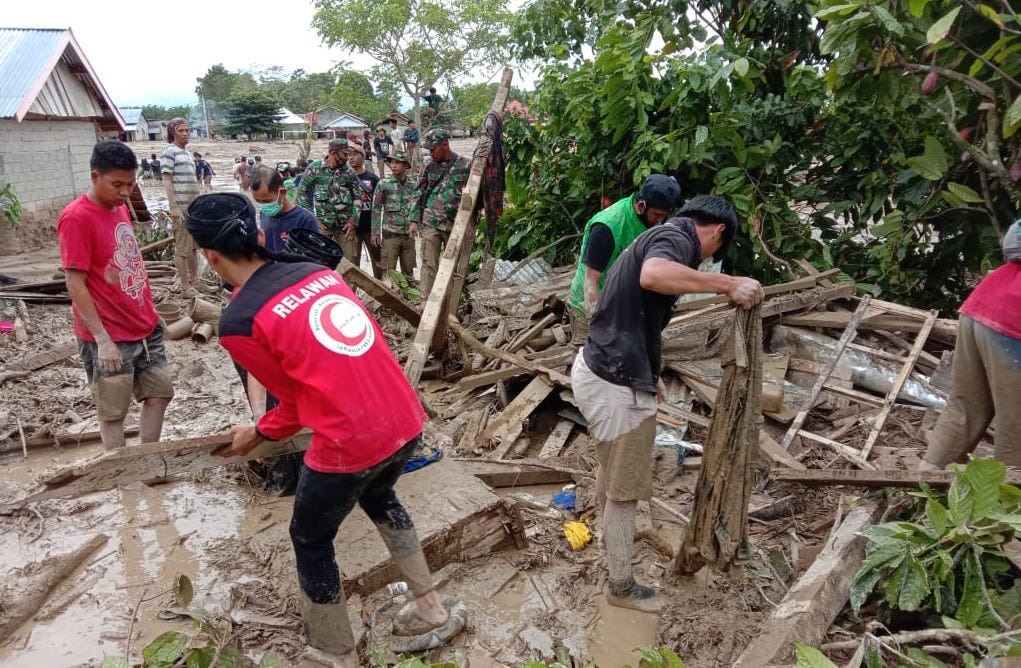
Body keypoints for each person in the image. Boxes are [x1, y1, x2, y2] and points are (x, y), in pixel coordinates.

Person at [185, 192, 466, 666]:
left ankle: (336, 650)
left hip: (349, 441)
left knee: (310, 538)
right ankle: (430, 605)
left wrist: (256, 432)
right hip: (403, 420)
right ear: (258, 234)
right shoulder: (318, 274)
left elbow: (291, 407)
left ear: (209, 256)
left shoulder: (239, 320)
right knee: (381, 497)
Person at [570, 194, 762, 614]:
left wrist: (651, 370)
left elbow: (639, 316)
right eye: (715, 253)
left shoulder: (660, 235)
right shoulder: (676, 239)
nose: (706, 261)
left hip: (602, 370)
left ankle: (610, 548)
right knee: (625, 489)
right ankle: (620, 586)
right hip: (611, 382)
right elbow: (653, 276)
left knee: (611, 468)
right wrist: (728, 284)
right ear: (716, 231)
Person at [57, 140, 174, 451]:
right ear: (95, 177)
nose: (124, 192)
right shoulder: (76, 218)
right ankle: (123, 479)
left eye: (130, 183)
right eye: (117, 184)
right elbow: (75, 283)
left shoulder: (120, 208)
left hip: (144, 325)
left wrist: (148, 309)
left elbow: (128, 263)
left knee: (159, 393)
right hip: (110, 334)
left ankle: (148, 459)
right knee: (113, 411)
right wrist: (102, 339)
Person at [919, 218, 1021, 470]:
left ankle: (925, 486)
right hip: (1013, 322)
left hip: (984, 303)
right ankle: (1010, 501)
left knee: (965, 406)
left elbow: (1013, 241)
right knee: (1017, 424)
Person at [569, 174, 682, 319]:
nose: (660, 220)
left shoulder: (650, 220)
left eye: (664, 216)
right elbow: (590, 281)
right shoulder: (607, 227)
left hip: (620, 301)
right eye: (657, 215)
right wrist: (598, 322)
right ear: (642, 205)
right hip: (590, 303)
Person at [416, 128, 470, 299]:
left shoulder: (465, 165)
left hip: (454, 223)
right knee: (428, 264)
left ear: (445, 145)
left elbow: (474, 195)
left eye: (433, 149)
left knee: (453, 266)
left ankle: (451, 304)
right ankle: (425, 302)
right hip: (430, 221)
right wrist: (413, 220)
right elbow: (419, 191)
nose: (430, 153)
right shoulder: (428, 164)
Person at [161, 117, 202, 298]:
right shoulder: (169, 151)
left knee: (193, 247)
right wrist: (174, 207)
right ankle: (186, 288)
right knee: (182, 249)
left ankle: (196, 281)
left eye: (187, 130)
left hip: (193, 209)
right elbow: (166, 179)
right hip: (181, 209)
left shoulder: (187, 153)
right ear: (172, 133)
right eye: (181, 131)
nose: (185, 134)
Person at [300, 138, 360, 249]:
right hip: (323, 226)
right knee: (321, 260)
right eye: (344, 155)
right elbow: (302, 191)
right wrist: (311, 217)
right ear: (333, 153)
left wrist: (353, 221)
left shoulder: (349, 172)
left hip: (345, 227)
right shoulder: (314, 169)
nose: (347, 158)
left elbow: (358, 197)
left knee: (350, 263)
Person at [372, 151, 419, 282]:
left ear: (405, 165)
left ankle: (411, 301)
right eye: (392, 162)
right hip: (390, 235)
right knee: (388, 272)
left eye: (397, 162)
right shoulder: (383, 184)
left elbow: (417, 206)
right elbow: (376, 209)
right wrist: (375, 232)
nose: (393, 165)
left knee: (409, 273)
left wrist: (417, 224)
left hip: (408, 236)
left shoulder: (413, 184)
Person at [250, 165, 319, 253]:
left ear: (282, 192)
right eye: (258, 201)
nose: (263, 206)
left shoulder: (306, 220)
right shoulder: (264, 213)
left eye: (267, 201)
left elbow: (312, 259)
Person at [344, 143, 384, 278]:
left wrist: (377, 230)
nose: (351, 158)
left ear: (363, 157)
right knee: (352, 265)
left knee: (378, 263)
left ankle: (380, 293)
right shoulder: (343, 178)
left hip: (370, 229)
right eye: (349, 155)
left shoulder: (373, 179)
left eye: (355, 154)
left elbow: (380, 205)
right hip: (351, 230)